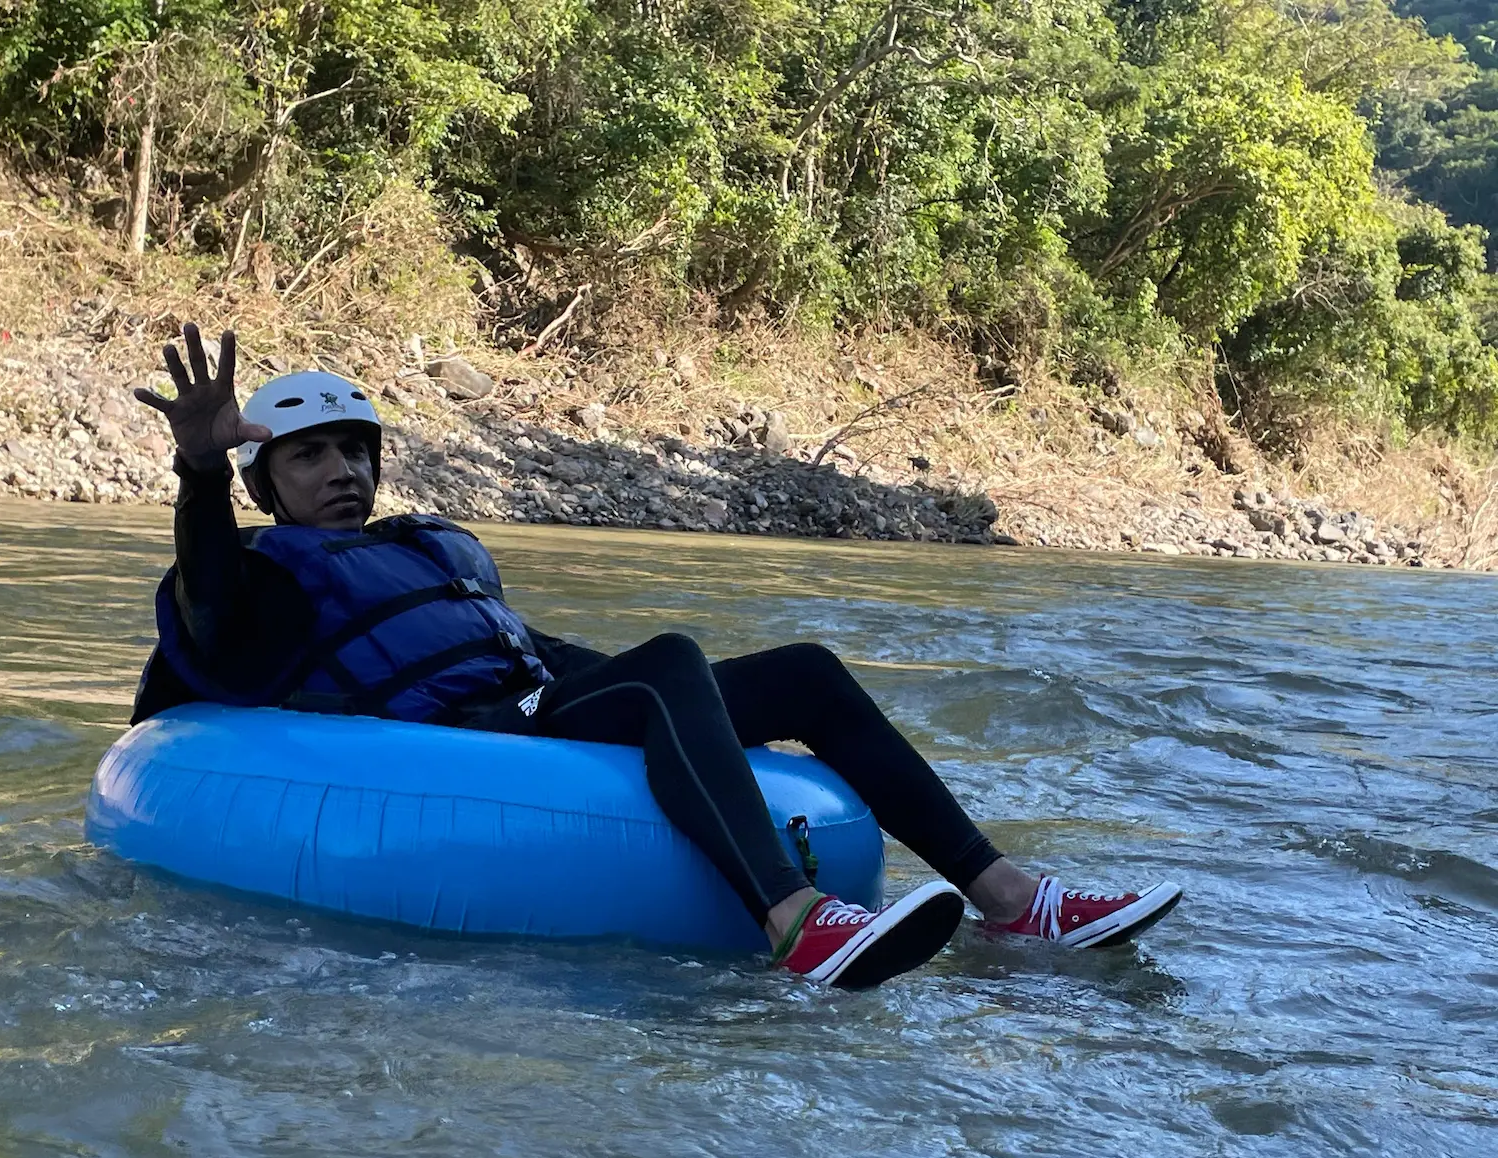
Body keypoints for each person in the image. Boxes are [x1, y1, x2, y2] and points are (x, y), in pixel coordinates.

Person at [130, 323, 1184, 989]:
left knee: (801, 672)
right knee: (673, 657)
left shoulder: (425, 548)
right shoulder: (262, 574)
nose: (339, 470)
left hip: (535, 706)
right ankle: (795, 922)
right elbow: (210, 607)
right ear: (265, 485)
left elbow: (526, 645)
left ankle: (1013, 903)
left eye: (353, 450)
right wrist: (196, 474)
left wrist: (701, 711)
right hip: (472, 741)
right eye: (307, 456)